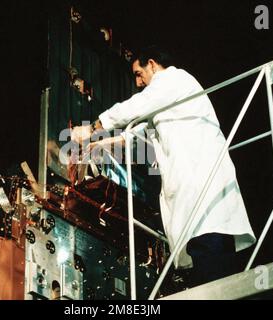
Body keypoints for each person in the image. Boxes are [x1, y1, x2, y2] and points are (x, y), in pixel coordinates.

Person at [71, 46, 255, 288]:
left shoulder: (173, 79)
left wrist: (91, 128)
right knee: (206, 269)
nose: (138, 82)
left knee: (213, 273)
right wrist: (99, 144)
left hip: (203, 194)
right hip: (195, 201)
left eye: (139, 73)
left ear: (152, 64)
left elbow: (135, 107)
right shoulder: (169, 98)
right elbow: (136, 135)